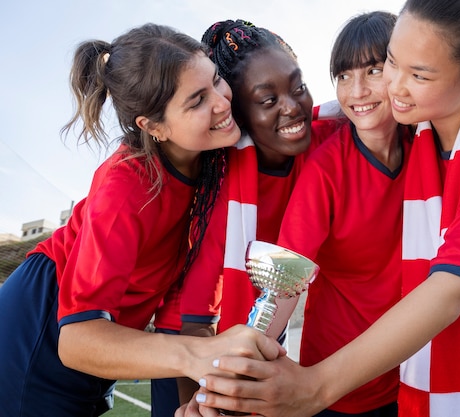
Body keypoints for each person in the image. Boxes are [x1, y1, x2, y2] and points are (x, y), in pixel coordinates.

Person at [191, 1, 460, 416]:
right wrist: (226, 385)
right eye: (393, 61)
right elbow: (301, 130)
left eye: (417, 74)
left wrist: (313, 388)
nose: (395, 87)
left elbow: (448, 292)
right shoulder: (411, 124)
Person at [0, 23, 285, 417]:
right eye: (197, 100)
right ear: (154, 127)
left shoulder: (212, 162)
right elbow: (78, 340)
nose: (222, 102)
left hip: (97, 345)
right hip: (35, 337)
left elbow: (181, 313)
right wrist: (199, 354)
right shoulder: (127, 184)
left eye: (216, 80)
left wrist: (197, 403)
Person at [165, 19, 341, 409]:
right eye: (268, 100)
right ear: (238, 114)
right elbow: (195, 314)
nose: (293, 107)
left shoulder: (329, 141)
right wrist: (199, 403)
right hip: (185, 340)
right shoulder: (220, 184)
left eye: (298, 88)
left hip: (265, 320)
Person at [274, 11, 409, 416]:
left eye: (373, 70)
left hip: (415, 371)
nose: (358, 91)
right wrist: (245, 358)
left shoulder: (428, 143)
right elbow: (286, 276)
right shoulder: (327, 167)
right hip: (337, 383)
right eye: (344, 76)